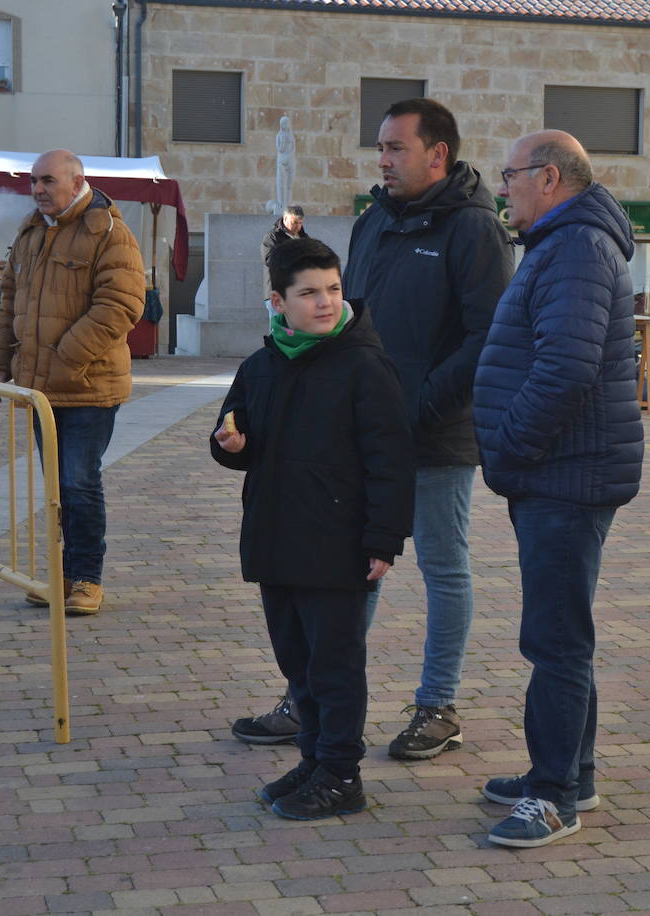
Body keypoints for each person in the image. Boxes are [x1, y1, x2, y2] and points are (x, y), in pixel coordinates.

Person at [230, 98, 514, 756]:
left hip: (437, 432)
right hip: (359, 434)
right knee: (346, 568)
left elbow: (487, 338)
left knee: (444, 568)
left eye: (395, 149)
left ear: (437, 154)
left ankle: (437, 706)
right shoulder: (373, 223)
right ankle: (315, 699)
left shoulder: (475, 230)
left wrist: (409, 409)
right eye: (380, 148)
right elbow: (346, 321)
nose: (381, 160)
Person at [472, 130, 644, 847]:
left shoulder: (575, 247)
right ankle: (574, 770)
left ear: (548, 178)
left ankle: (552, 798)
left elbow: (565, 369)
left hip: (562, 477)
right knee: (563, 631)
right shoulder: (564, 242)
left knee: (555, 639)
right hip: (559, 473)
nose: (501, 188)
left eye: (509, 176)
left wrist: (510, 447)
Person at [211, 237, 415, 821]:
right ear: (278, 301)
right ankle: (315, 759)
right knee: (297, 662)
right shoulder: (263, 364)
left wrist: (383, 539)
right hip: (277, 539)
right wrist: (231, 445)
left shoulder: (365, 366)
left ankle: (342, 774)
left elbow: (391, 461)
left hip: (338, 543)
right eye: (309, 293)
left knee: (335, 665)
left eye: (332, 289)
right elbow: (233, 435)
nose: (325, 303)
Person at [0, 148, 145, 616]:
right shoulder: (32, 230)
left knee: (79, 482)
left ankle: (88, 579)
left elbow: (121, 305)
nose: (37, 190)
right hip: (42, 389)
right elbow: (9, 298)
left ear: (77, 183)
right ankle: (65, 577)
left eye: (47, 181)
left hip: (90, 387)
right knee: (57, 486)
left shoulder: (110, 231)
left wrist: (64, 358)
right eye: (33, 181)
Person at [262, 204, 308, 308]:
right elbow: (269, 260)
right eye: (294, 222)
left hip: (298, 291)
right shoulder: (273, 236)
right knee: (278, 324)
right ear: (285, 218)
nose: (298, 226)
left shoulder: (304, 238)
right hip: (277, 291)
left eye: (300, 223)